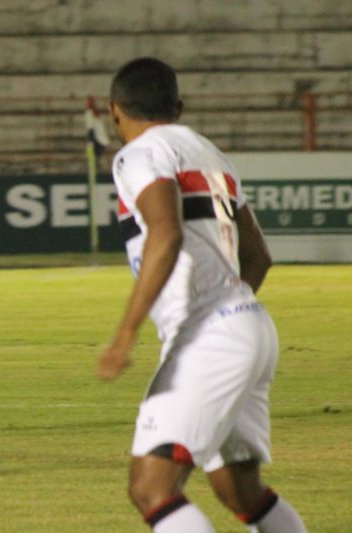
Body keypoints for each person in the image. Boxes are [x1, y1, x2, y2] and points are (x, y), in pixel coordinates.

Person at [98, 57, 306, 532]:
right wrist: (230, 307)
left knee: (151, 487)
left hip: (209, 338)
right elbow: (258, 258)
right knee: (241, 492)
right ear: (179, 106)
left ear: (115, 111)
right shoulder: (211, 154)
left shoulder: (139, 154)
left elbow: (165, 235)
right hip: (250, 325)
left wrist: (125, 334)